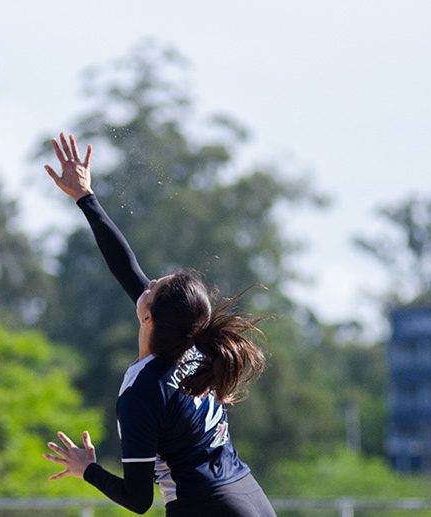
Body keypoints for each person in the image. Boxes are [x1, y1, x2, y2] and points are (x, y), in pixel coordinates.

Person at [41, 133, 277, 516]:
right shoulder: (195, 344)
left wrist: (88, 470)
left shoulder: (142, 391)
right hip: (249, 497)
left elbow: (138, 500)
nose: (147, 282)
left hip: (207, 508)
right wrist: (85, 198)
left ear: (147, 316)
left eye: (154, 286)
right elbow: (125, 267)